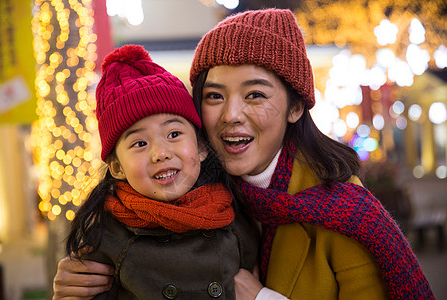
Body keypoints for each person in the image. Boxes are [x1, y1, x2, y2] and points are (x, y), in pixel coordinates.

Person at [53, 9, 434, 300]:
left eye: (255, 94)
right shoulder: (185, 196)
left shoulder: (343, 213)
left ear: (295, 107)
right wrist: (76, 287)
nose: (231, 115)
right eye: (214, 96)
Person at [61, 44, 258, 299]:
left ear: (200, 148)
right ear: (118, 167)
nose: (160, 153)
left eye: (174, 134)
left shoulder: (231, 210)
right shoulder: (105, 233)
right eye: (140, 144)